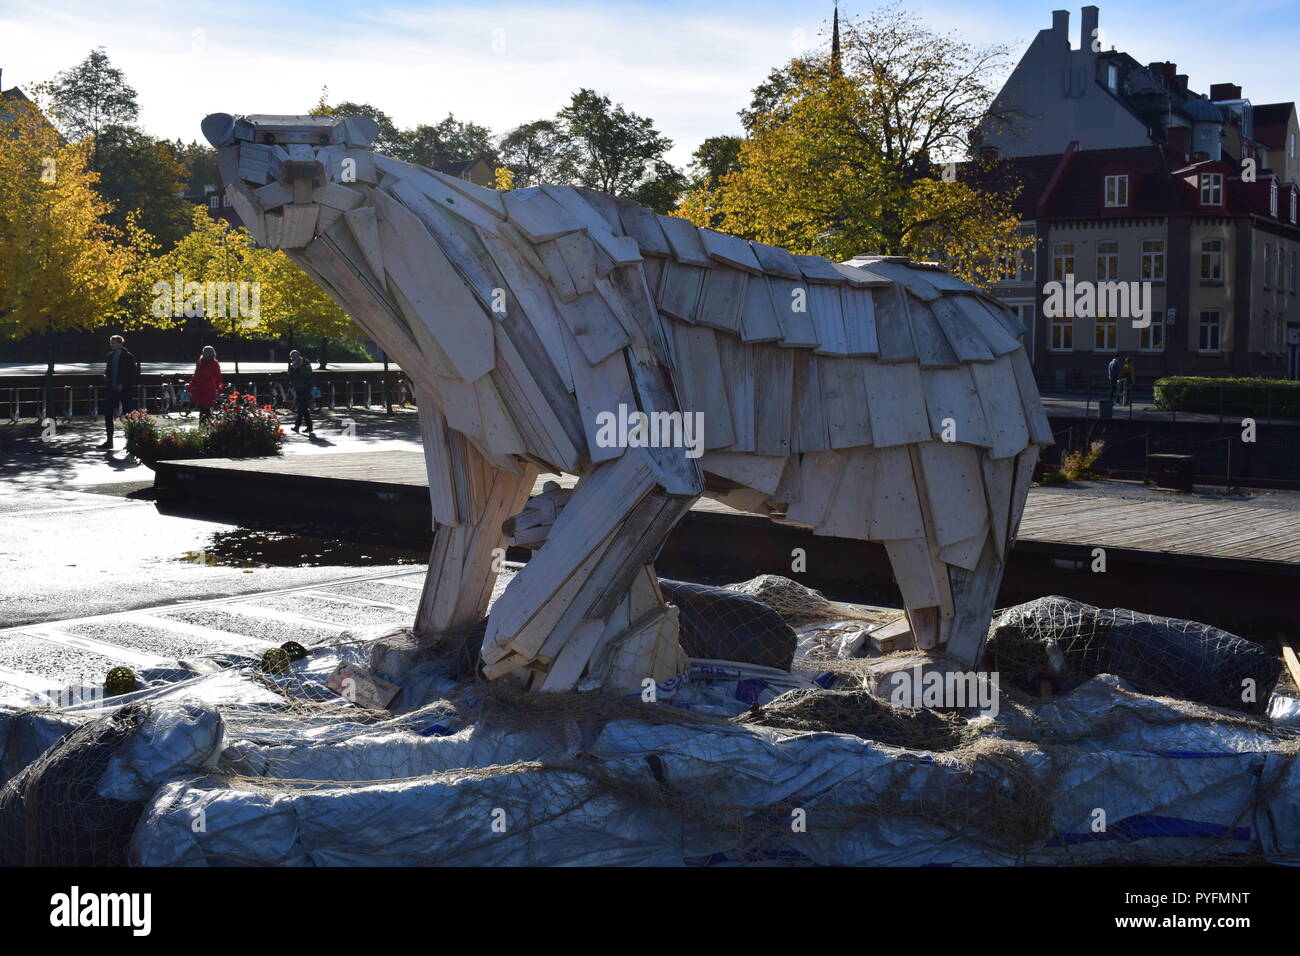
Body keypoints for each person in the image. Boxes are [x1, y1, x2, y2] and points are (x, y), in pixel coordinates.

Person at [100, 334, 139, 449]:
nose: (112, 345)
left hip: (124, 390)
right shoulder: (110, 356)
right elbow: (108, 371)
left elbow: (133, 374)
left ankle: (131, 441)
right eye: (111, 343)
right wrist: (106, 377)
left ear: (120, 344)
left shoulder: (128, 357)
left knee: (128, 415)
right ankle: (109, 440)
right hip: (111, 389)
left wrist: (124, 384)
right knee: (108, 414)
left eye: (114, 343)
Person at [189, 346, 223, 424]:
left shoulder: (202, 363)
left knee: (204, 408)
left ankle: (204, 426)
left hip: (205, 389)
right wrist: (219, 388)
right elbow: (218, 377)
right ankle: (205, 426)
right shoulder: (213, 364)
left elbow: (196, 375)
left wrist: (191, 386)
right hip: (205, 389)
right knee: (204, 408)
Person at [287, 349, 314, 435]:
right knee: (304, 408)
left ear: (298, 357)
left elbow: (308, 374)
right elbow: (290, 375)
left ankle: (297, 426)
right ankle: (309, 427)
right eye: (291, 358)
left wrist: (298, 368)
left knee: (302, 407)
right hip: (297, 387)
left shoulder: (305, 362)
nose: (292, 359)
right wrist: (292, 368)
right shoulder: (292, 364)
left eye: (294, 357)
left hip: (305, 387)